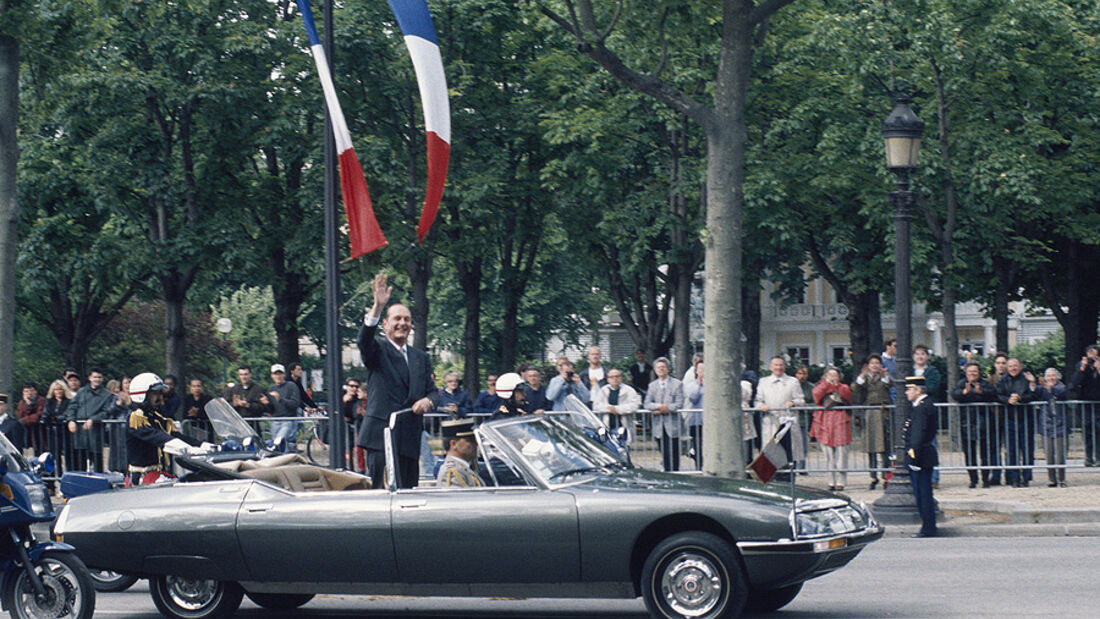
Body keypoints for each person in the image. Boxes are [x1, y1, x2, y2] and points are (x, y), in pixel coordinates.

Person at [357, 273, 438, 489]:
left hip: (410, 438)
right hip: (382, 437)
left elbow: (433, 391)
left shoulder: (420, 358)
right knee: (383, 496)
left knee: (408, 496)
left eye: (407, 319)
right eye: (397, 319)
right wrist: (377, 307)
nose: (402, 323)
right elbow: (363, 341)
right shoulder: (378, 350)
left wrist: (428, 402)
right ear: (385, 324)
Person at [125, 372, 209, 486]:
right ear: (142, 395)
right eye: (155, 393)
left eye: (160, 393)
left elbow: (175, 435)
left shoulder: (156, 416)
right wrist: (188, 449)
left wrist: (202, 445)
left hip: (157, 475)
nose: (160, 397)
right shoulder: (135, 418)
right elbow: (158, 437)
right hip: (141, 478)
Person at [755, 356, 806, 478]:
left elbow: (801, 400)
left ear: (784, 366)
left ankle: (789, 482)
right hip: (770, 423)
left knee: (789, 455)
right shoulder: (763, 382)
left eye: (781, 365)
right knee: (771, 454)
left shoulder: (792, 382)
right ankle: (772, 481)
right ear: (770, 367)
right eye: (776, 365)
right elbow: (757, 401)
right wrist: (761, 406)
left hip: (788, 424)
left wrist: (793, 403)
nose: (778, 367)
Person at [951, 362, 999, 488]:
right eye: (970, 371)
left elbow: (993, 394)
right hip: (966, 422)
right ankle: (973, 479)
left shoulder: (984, 383)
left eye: (975, 371)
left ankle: (985, 479)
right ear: (966, 373)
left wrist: (981, 392)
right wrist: (964, 393)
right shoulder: (961, 383)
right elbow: (954, 394)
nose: (972, 374)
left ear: (979, 373)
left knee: (985, 453)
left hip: (984, 422)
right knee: (969, 453)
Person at [903, 375, 938, 538]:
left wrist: (913, 458)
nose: (906, 393)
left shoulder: (921, 408)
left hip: (921, 456)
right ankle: (928, 526)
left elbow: (917, 436)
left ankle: (928, 528)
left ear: (918, 390)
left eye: (909, 389)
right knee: (924, 492)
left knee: (922, 494)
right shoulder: (926, 405)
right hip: (925, 455)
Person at [996, 358, 1040, 488]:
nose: (1013, 368)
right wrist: (1008, 400)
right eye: (1010, 366)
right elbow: (997, 395)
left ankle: (1026, 477)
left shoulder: (1027, 378)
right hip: (1009, 419)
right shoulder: (1003, 380)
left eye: (1015, 365)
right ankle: (1014, 478)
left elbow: (1033, 396)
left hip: (1026, 418)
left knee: (1027, 450)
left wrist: (1020, 398)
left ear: (1020, 366)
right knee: (1011, 451)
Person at [851, 354, 892, 490]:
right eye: (872, 363)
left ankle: (886, 475)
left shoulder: (884, 376)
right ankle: (873, 476)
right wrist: (862, 376)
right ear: (868, 366)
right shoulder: (865, 379)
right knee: (871, 446)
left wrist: (884, 374)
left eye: (877, 363)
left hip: (882, 412)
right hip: (869, 413)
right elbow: (855, 388)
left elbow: (890, 383)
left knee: (885, 446)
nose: (875, 366)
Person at [811, 367, 852, 491]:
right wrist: (826, 384)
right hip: (824, 420)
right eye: (830, 375)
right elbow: (816, 396)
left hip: (840, 419)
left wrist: (836, 385)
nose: (833, 377)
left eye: (835, 375)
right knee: (828, 454)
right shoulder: (820, 386)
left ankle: (841, 481)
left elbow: (848, 395)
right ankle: (831, 480)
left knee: (841, 452)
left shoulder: (843, 386)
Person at [65, 367, 114, 472]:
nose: (97, 379)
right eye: (95, 377)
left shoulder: (107, 395)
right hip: (80, 433)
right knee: (79, 463)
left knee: (97, 464)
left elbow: (106, 412)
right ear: (90, 378)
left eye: (99, 377)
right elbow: (72, 407)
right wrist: (71, 420)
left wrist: (93, 419)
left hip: (95, 433)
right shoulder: (81, 391)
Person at [644, 357, 684, 472]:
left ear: (668, 369)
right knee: (664, 452)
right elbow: (647, 403)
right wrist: (659, 407)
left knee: (674, 452)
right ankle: (667, 472)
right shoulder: (652, 386)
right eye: (658, 367)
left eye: (663, 367)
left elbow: (679, 403)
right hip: (658, 426)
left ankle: (675, 473)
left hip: (673, 424)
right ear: (655, 370)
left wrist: (665, 409)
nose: (661, 369)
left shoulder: (677, 384)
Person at [1067, 345, 1100, 467]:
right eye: (1090, 357)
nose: (1093, 360)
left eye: (1095, 357)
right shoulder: (1081, 366)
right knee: (1087, 430)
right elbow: (1073, 384)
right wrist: (1082, 368)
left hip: (1098, 404)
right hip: (1085, 405)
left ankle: (1099, 457)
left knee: (1098, 430)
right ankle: (1089, 457)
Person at [1036, 368, 1069, 488]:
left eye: (1053, 376)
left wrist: (1049, 388)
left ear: (1058, 377)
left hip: (1061, 424)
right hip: (1046, 425)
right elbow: (1035, 392)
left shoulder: (1062, 387)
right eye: (1048, 376)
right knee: (1048, 454)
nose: (1050, 378)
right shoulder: (1042, 388)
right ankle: (1051, 479)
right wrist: (1033, 384)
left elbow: (1061, 394)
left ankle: (1062, 479)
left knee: (1060, 455)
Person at [592, 368, 641, 444]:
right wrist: (609, 408)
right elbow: (596, 405)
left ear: (621, 378)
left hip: (624, 426)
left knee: (624, 448)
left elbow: (634, 406)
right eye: (611, 377)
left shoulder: (629, 390)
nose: (615, 379)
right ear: (608, 379)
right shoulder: (603, 390)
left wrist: (617, 409)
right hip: (608, 426)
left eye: (617, 376)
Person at [435, 418, 484, 488]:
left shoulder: (463, 468)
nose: (476, 444)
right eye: (470, 441)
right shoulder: (452, 472)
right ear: (453, 444)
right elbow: (456, 498)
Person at [267, 364, 301, 452]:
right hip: (275, 420)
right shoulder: (271, 388)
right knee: (277, 445)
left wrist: (281, 399)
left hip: (288, 420)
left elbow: (295, 404)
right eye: (275, 374)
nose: (278, 376)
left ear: (284, 374)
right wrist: (265, 404)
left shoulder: (291, 386)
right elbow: (270, 408)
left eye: (280, 373)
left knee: (280, 441)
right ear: (272, 376)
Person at [42, 380, 72, 478]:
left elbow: (67, 414)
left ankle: (68, 477)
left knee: (68, 456)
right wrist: (49, 418)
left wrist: (56, 418)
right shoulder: (49, 401)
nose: (58, 392)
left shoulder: (68, 401)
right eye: (56, 390)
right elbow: (45, 414)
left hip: (65, 432)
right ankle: (56, 477)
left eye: (60, 390)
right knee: (55, 457)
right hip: (52, 432)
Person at [682, 360, 705, 470]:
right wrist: (699, 384)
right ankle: (699, 469)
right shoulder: (691, 385)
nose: (702, 371)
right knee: (698, 447)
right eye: (700, 369)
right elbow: (693, 398)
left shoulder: (714, 384)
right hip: (697, 421)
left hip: (711, 422)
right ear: (696, 371)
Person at [16, 382, 45, 455]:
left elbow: (38, 416)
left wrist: (25, 420)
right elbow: (20, 415)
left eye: (31, 390)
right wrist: (26, 404)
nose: (29, 393)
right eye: (26, 391)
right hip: (27, 433)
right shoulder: (22, 402)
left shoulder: (41, 400)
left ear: (35, 391)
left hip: (39, 433)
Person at [794, 365, 814, 471]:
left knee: (803, 445)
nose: (802, 376)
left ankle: (801, 467)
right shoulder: (792, 385)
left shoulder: (811, 387)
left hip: (803, 420)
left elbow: (815, 404)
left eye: (804, 373)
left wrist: (804, 406)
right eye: (800, 373)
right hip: (791, 419)